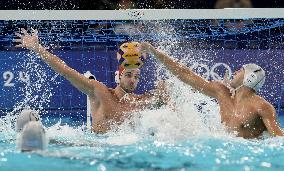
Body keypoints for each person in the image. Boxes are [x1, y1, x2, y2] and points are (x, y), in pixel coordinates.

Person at [14, 28, 168, 134]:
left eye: (136, 77)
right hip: (96, 147)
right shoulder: (99, 92)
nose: (133, 80)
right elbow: (65, 70)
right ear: (118, 76)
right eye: (128, 75)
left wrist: (165, 92)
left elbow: (172, 104)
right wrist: (38, 48)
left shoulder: (140, 102)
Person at [141, 42, 284, 139]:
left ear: (250, 77)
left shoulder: (262, 107)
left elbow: (279, 140)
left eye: (240, 70)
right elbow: (186, 74)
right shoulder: (221, 92)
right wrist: (155, 52)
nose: (234, 72)